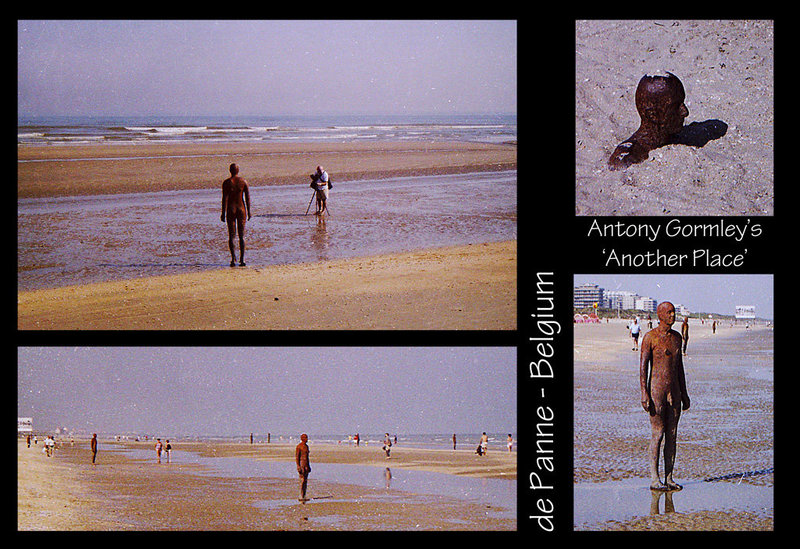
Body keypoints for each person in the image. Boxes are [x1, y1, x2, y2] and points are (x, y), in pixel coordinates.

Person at [640, 301, 690, 491]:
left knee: (672, 434)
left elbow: (680, 369)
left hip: (674, 392)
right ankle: (655, 478)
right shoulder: (650, 337)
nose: (672, 315)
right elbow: (643, 367)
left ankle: (669, 477)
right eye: (669, 312)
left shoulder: (677, 338)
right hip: (656, 392)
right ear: (660, 315)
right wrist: (644, 392)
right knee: (658, 433)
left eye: (673, 312)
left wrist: (684, 393)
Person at [609, 72, 689, 170]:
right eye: (676, 106)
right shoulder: (628, 157)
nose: (685, 112)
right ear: (653, 115)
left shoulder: (673, 136)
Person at [221, 163, 251, 267]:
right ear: (238, 170)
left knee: (232, 235)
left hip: (231, 209)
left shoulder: (226, 183)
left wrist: (223, 213)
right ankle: (242, 259)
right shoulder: (243, 181)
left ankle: (233, 259)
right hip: (241, 209)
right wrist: (249, 211)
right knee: (241, 235)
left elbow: (224, 199)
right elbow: (247, 198)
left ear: (230, 170)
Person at [295, 434, 311, 502]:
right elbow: (297, 457)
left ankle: (304, 495)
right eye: (305, 438)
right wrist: (298, 466)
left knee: (306, 481)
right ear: (302, 438)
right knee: (302, 480)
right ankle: (301, 496)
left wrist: (309, 466)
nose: (307, 439)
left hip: (306, 465)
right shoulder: (299, 447)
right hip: (301, 465)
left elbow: (307, 458)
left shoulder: (307, 447)